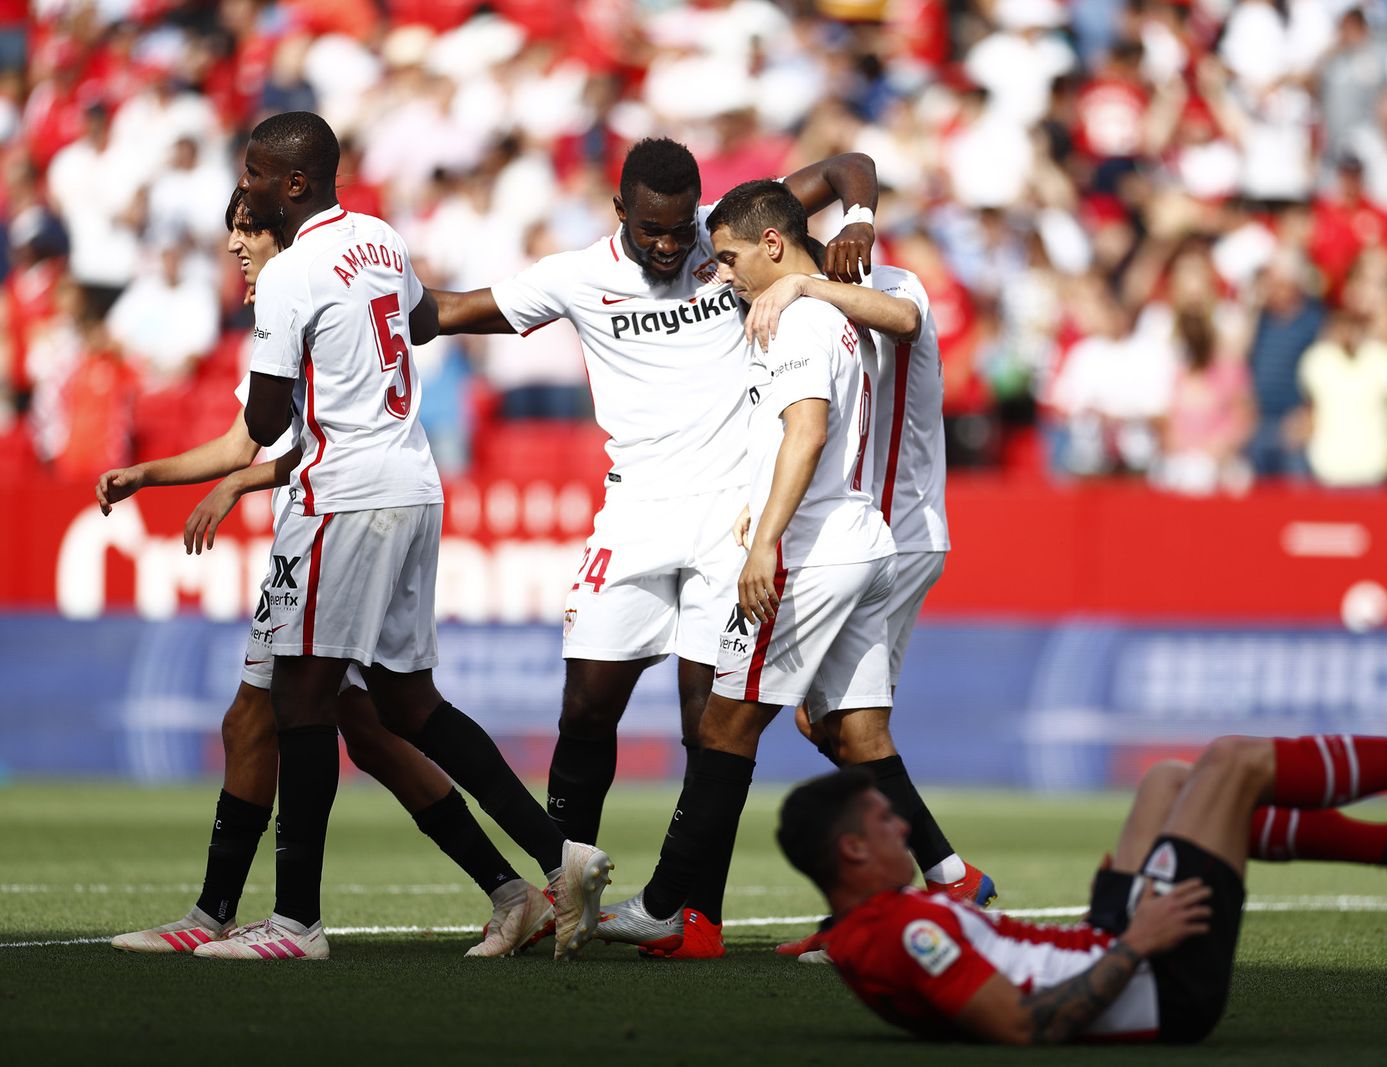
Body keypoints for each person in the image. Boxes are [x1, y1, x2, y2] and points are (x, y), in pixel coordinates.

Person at [428, 138, 879, 957]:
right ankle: (565, 889)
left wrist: (859, 218)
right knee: (587, 706)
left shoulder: (729, 240)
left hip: (731, 521)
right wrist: (367, 304)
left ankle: (689, 912)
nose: (672, 245)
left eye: (682, 228)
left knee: (710, 722)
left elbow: (848, 163)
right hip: (633, 516)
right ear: (621, 215)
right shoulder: (573, 276)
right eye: (652, 231)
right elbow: (454, 310)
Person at [193, 111, 610, 962]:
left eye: (257, 174)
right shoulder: (382, 237)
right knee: (406, 701)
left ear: (295, 183)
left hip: (341, 494)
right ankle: (561, 856)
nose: (248, 189)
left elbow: (266, 422)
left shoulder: (291, 270)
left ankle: (295, 923)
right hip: (414, 483)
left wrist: (263, 412)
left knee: (301, 699)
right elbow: (418, 323)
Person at [97, 188, 540, 959]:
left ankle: (268, 918)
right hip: (370, 499)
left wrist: (231, 473)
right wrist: (159, 473)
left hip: (336, 516)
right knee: (359, 727)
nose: (235, 246)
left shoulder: (296, 287)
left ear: (281, 232)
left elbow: (278, 438)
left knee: (294, 710)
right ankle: (517, 888)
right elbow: (266, 439)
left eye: (246, 231)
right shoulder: (334, 284)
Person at [778, 654, 1387, 1044]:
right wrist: (1136, 945)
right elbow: (1018, 1026)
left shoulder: (866, 926)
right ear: (848, 849)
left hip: (1099, 942)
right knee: (1232, 761)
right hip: (1158, 982)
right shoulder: (907, 933)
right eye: (884, 822)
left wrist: (833, 930)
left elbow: (873, 945)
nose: (903, 828)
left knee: (1171, 779)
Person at [591, 180, 962, 954]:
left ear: (771, 245)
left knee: (726, 722)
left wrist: (765, 540)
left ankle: (672, 907)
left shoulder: (799, 317)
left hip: (816, 549)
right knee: (854, 730)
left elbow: (808, 429)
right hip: (861, 541)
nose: (720, 274)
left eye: (727, 258)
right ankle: (946, 878)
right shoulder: (819, 314)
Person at [740, 252, 995, 963]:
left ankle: (917, 892)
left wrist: (799, 283)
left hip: (891, 531)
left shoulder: (885, 284)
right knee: (836, 727)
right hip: (878, 535)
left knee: (847, 728)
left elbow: (905, 316)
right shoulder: (822, 300)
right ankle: (944, 878)